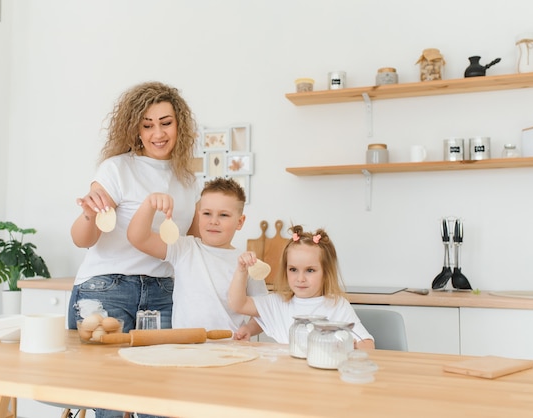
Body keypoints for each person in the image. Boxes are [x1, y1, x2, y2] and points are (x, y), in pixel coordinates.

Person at [68, 81, 200, 418]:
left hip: (164, 292)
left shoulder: (188, 179)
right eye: (147, 124)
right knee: (110, 403)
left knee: (160, 401)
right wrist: (88, 212)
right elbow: (83, 239)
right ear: (135, 129)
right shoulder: (116, 169)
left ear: (179, 125)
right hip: (107, 289)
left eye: (166, 122)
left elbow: (195, 245)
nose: (158, 133)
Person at [127, 177, 267, 334]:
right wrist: (149, 205)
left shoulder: (247, 263)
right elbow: (139, 238)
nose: (213, 221)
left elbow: (265, 311)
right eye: (207, 213)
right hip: (186, 349)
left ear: (240, 222)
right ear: (199, 215)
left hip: (229, 349)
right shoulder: (184, 248)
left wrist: (248, 329)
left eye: (224, 215)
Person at [229, 225, 375, 350]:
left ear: (326, 272)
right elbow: (237, 304)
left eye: (310, 270)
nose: (300, 278)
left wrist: (351, 346)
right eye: (293, 269)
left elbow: (368, 344)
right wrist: (241, 271)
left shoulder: (338, 306)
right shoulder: (277, 303)